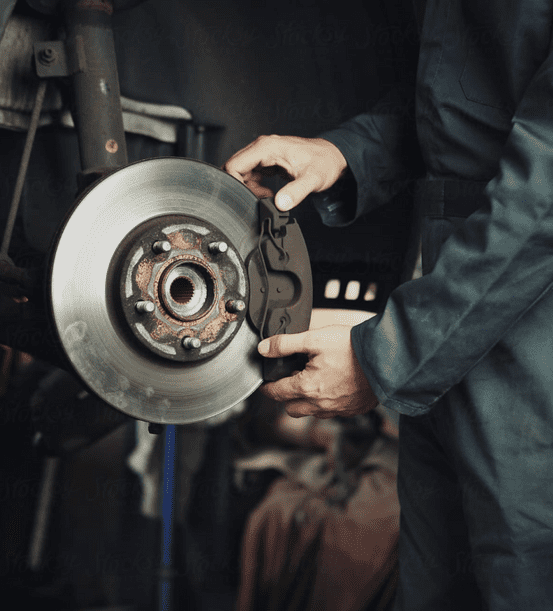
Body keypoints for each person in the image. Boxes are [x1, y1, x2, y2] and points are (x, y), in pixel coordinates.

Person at [224, 1, 553, 609]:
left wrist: (392, 354)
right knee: (437, 585)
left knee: (523, 574)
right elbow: (469, 91)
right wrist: (347, 152)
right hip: (453, 300)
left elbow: (544, 193)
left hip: (530, 315)